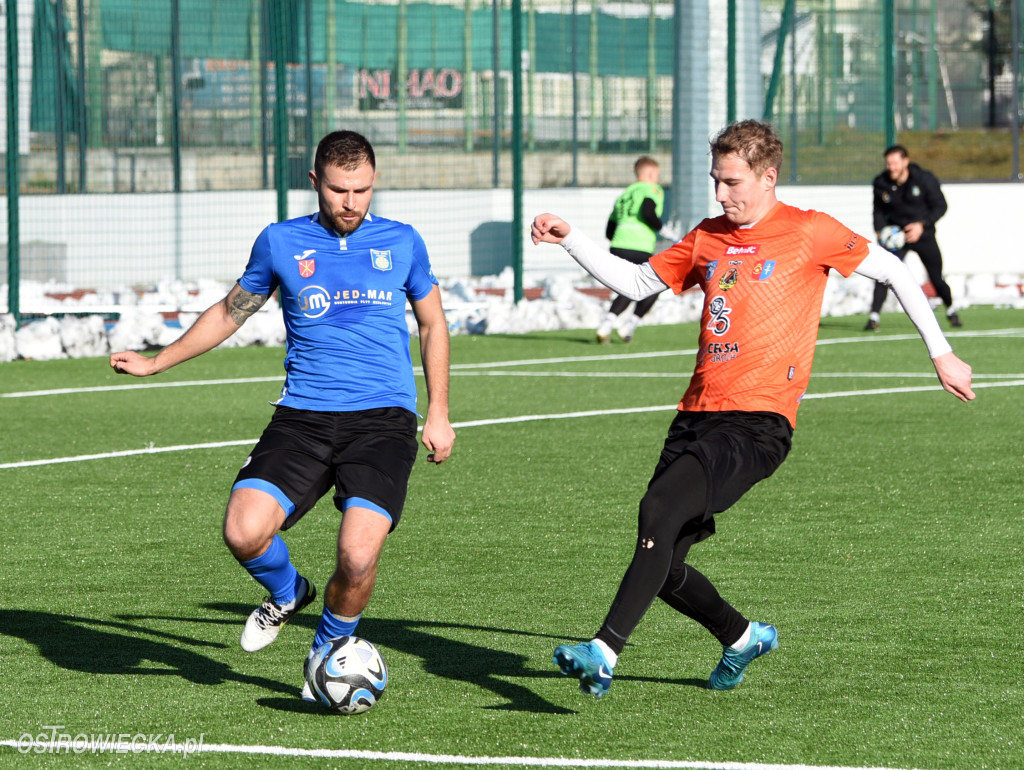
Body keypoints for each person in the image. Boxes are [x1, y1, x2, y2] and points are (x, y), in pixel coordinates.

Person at [531, 119, 973, 698]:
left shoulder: (808, 231)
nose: (721, 193)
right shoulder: (709, 236)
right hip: (695, 414)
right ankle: (741, 637)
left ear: (767, 178)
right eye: (716, 180)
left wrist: (941, 353)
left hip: (759, 421)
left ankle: (603, 651)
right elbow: (638, 281)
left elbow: (891, 270)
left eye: (731, 181)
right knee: (661, 565)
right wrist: (571, 238)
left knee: (657, 509)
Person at [109, 130, 456, 700]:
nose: (352, 203)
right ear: (315, 181)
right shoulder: (280, 242)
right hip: (303, 418)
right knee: (243, 532)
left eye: (363, 190)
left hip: (383, 420)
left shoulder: (403, 242)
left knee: (358, 553)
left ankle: (329, 647)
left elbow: (434, 323)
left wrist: (438, 412)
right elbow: (230, 312)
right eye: (340, 190)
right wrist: (157, 362)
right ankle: (289, 591)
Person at [866, 145, 961, 331]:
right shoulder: (881, 183)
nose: (891, 167)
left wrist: (922, 225)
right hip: (896, 238)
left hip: (923, 234)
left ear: (905, 162)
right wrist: (880, 231)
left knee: (936, 277)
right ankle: (873, 317)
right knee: (883, 274)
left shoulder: (924, 179)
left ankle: (951, 309)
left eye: (895, 163)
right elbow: (878, 211)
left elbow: (940, 206)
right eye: (888, 164)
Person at [596, 156, 674, 344]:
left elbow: (609, 229)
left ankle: (607, 324)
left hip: (618, 245)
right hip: (638, 245)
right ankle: (628, 326)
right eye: (656, 174)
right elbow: (648, 212)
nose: (657, 178)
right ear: (650, 173)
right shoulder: (652, 189)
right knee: (655, 283)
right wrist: (665, 231)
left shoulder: (624, 195)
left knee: (629, 286)